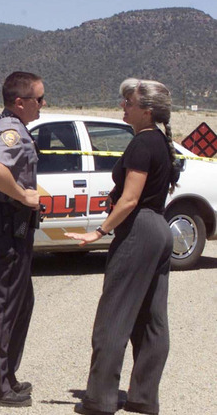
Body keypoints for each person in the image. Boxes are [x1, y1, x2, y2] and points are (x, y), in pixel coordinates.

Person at [65, 78, 179, 415]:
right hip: (159, 228)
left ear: (147, 111)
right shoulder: (160, 142)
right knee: (151, 319)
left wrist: (99, 231)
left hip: (140, 229)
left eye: (129, 102)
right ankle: (144, 397)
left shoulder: (142, 143)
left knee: (113, 317)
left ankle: (100, 399)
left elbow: (130, 199)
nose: (123, 107)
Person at [0, 71, 45, 408]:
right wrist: (23, 195)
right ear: (20, 102)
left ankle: (4, 375)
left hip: (1, 225)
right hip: (7, 229)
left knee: (21, 301)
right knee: (5, 306)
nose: (43, 104)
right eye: (38, 99)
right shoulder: (10, 132)